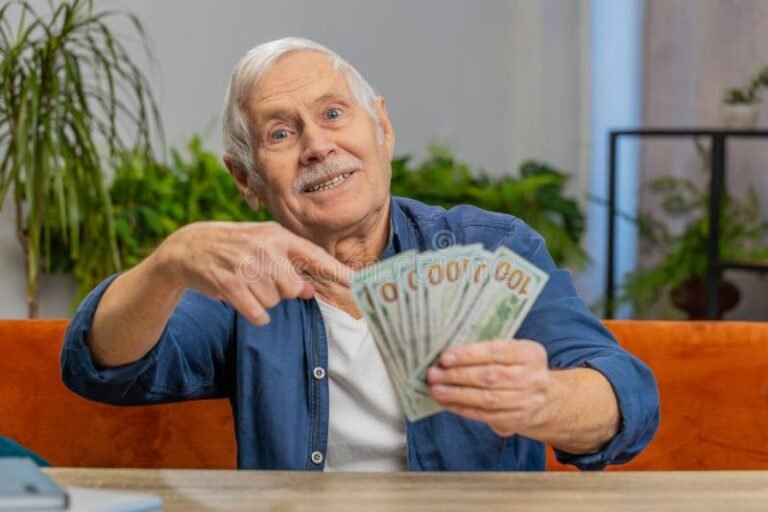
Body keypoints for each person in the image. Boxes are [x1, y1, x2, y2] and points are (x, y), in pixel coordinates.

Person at [61, 37, 659, 471]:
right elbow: (105, 369)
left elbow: (626, 400)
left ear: (383, 129)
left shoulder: (491, 247)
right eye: (281, 133)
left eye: (333, 114)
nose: (318, 146)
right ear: (246, 179)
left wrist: (545, 400)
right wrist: (168, 262)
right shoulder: (244, 282)